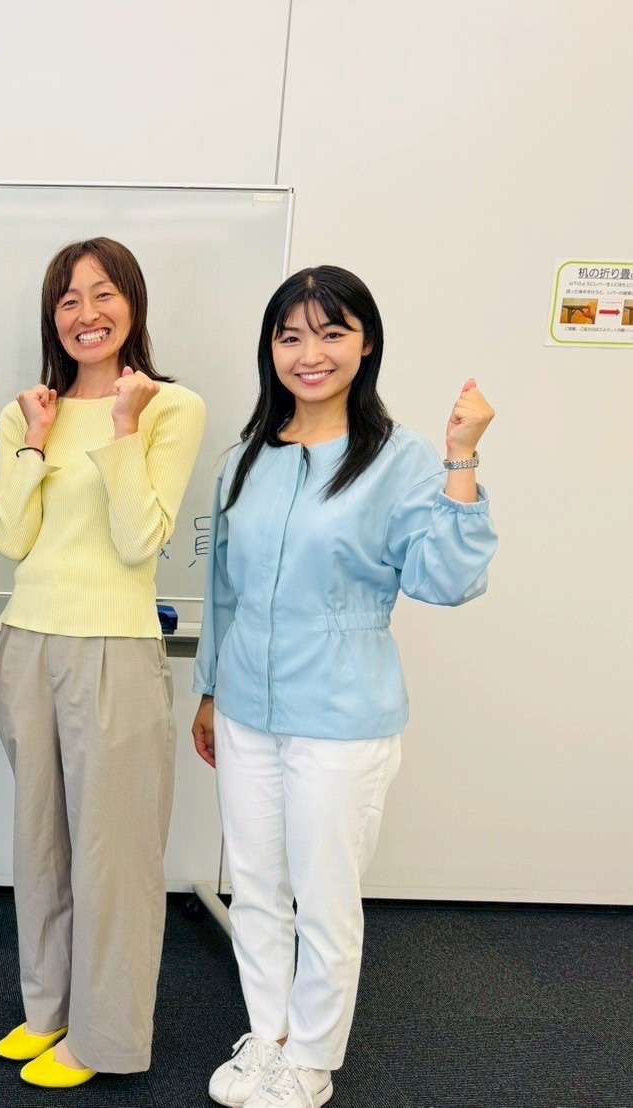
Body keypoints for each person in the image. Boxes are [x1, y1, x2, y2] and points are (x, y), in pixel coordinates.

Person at [191, 266, 498, 1108]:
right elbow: (223, 590)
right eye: (290, 336)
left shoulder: (399, 460)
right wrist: (210, 690)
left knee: (324, 897)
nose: (310, 353)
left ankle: (312, 1058)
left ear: (365, 345)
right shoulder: (244, 459)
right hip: (245, 710)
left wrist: (461, 458)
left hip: (341, 715)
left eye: (331, 333)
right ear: (270, 350)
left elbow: (444, 580)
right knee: (255, 887)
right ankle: (268, 1037)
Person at [0, 238, 206, 1090]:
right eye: (68, 299)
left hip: (114, 646)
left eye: (103, 293)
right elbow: (9, 539)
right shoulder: (27, 410)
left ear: (133, 303)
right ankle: (49, 1012)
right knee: (39, 846)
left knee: (114, 859)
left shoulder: (169, 407)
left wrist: (120, 428)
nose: (86, 313)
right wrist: (35, 441)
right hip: (26, 644)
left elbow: (138, 537)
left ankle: (105, 1039)